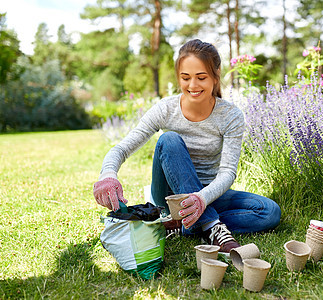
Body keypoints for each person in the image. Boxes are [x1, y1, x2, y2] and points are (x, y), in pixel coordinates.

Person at [93, 39, 281, 254]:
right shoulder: (166, 109)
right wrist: (108, 174)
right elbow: (122, 148)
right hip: (170, 197)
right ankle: (211, 227)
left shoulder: (231, 116)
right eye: (185, 78)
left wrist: (202, 198)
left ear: (216, 75)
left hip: (209, 194)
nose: (193, 86)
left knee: (269, 212)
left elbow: (228, 173)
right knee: (169, 140)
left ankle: (182, 226)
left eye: (201, 77)